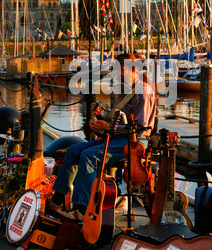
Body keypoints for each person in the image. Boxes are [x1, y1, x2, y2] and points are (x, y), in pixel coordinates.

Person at [47, 52, 156, 221]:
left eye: (119, 71)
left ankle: (82, 209)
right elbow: (117, 122)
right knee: (73, 150)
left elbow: (140, 130)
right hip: (119, 137)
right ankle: (57, 200)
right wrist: (100, 124)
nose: (116, 75)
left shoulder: (143, 92)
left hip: (134, 143)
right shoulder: (124, 89)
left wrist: (110, 127)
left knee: (88, 155)